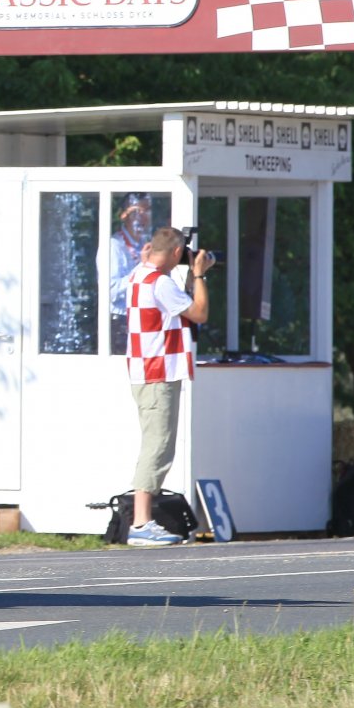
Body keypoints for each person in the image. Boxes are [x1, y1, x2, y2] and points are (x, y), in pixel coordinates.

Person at [124, 226, 213, 547]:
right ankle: (140, 523)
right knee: (157, 446)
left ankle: (143, 521)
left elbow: (177, 307)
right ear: (177, 252)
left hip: (146, 371)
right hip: (157, 373)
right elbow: (199, 313)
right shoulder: (160, 283)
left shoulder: (139, 275)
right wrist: (199, 275)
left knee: (157, 444)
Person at [108, 193, 152, 352]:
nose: (142, 216)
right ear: (123, 215)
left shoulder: (145, 244)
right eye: (137, 211)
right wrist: (143, 266)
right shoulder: (114, 246)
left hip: (145, 319)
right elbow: (112, 292)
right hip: (121, 323)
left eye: (147, 210)